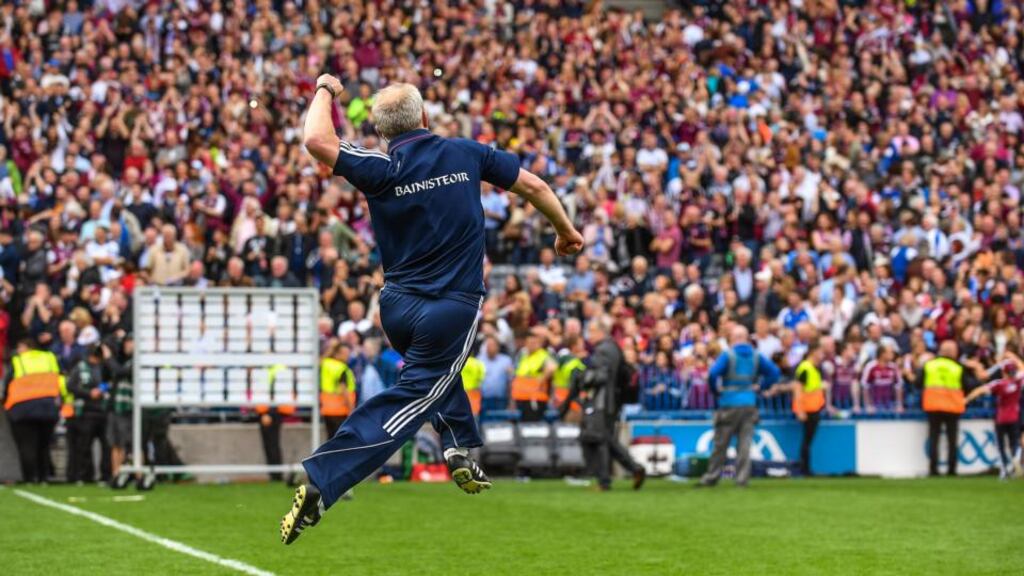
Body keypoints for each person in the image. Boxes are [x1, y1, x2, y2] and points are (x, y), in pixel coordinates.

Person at [281, 77, 583, 544]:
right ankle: (325, 478)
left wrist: (325, 90)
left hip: (397, 308)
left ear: (384, 133)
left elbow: (316, 139)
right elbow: (535, 186)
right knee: (416, 393)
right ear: (424, 117)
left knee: (438, 371)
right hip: (451, 307)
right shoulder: (466, 152)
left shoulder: (381, 166)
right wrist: (564, 231)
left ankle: (459, 446)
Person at [559, 318, 645, 491]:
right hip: (612, 400)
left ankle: (604, 481)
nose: (588, 335)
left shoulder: (603, 350)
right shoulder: (613, 348)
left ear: (600, 331)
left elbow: (602, 376)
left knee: (596, 440)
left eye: (591, 331)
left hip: (602, 402)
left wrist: (583, 377)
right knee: (606, 439)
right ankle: (634, 469)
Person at [699, 325, 782, 488]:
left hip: (729, 403)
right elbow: (774, 372)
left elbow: (713, 374)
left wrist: (716, 391)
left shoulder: (728, 355)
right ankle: (742, 479)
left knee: (721, 443)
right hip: (749, 403)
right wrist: (762, 387)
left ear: (733, 338)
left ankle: (712, 477)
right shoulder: (757, 356)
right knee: (744, 444)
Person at [1, 338, 62, 483]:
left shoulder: (19, 361)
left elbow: (8, 382)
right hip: (48, 407)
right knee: (44, 445)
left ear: (26, 347)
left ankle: (30, 477)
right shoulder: (49, 358)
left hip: (23, 408)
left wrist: (6, 402)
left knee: (27, 445)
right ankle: (44, 477)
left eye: (20, 346)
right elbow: (59, 380)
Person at [916, 341, 978, 477]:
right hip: (952, 407)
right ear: (952, 352)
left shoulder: (929, 365)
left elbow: (918, 383)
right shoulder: (957, 367)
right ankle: (952, 469)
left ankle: (933, 470)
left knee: (934, 438)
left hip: (933, 406)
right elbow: (968, 385)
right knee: (952, 440)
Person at [965, 358, 1023, 480]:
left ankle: (1004, 471)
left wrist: (966, 400)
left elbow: (980, 390)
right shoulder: (1018, 382)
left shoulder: (999, 384)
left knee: (1001, 445)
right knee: (1015, 442)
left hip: (1001, 418)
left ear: (1004, 372)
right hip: (1014, 417)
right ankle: (1015, 459)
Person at [67, 344, 111, 483]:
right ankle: (85, 475)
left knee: (106, 445)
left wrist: (103, 389)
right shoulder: (80, 367)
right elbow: (70, 386)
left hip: (103, 410)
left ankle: (106, 475)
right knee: (84, 446)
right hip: (86, 411)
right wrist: (88, 393)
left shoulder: (105, 367)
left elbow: (112, 380)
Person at [789, 342, 828, 476]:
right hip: (807, 409)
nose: (822, 355)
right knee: (806, 440)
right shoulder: (805, 368)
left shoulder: (812, 368)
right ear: (813, 352)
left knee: (808, 440)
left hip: (813, 408)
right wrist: (800, 410)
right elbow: (798, 389)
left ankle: (805, 468)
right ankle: (804, 469)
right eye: (820, 352)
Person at [256, 363, 294, 482]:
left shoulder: (276, 370)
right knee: (270, 444)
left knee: (272, 444)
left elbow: (276, 394)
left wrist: (268, 413)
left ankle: (276, 475)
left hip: (271, 412)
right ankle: (274, 474)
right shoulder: (272, 369)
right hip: (268, 411)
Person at [511, 326, 557, 421]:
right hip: (520, 398)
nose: (532, 345)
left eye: (534, 343)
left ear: (539, 344)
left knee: (531, 428)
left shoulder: (542, 355)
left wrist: (542, 378)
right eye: (529, 343)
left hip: (534, 399)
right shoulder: (524, 355)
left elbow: (552, 367)